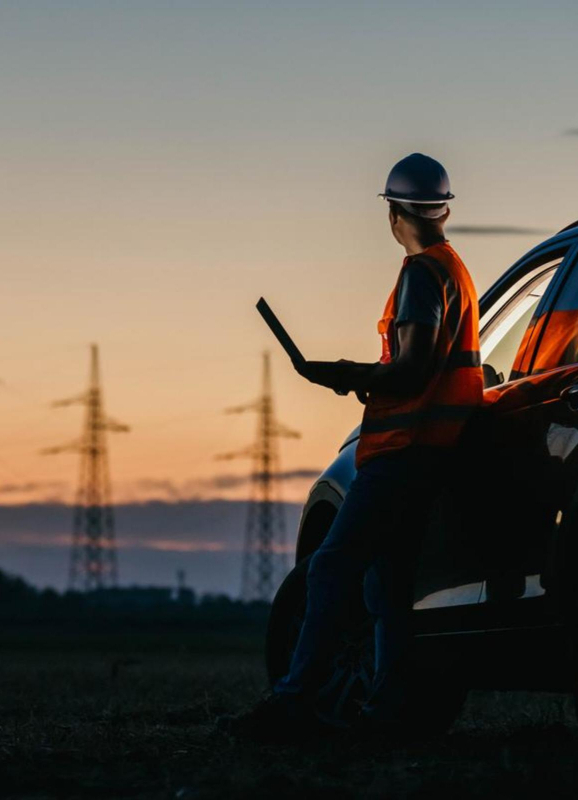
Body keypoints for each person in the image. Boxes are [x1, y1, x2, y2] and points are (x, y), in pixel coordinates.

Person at [224, 153, 484, 738]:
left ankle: (294, 702)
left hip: (402, 454)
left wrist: (348, 371)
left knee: (332, 568)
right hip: (432, 453)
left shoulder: (421, 273)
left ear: (393, 212)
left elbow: (414, 370)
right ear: (442, 209)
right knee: (388, 587)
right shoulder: (455, 269)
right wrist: (361, 376)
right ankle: (386, 712)